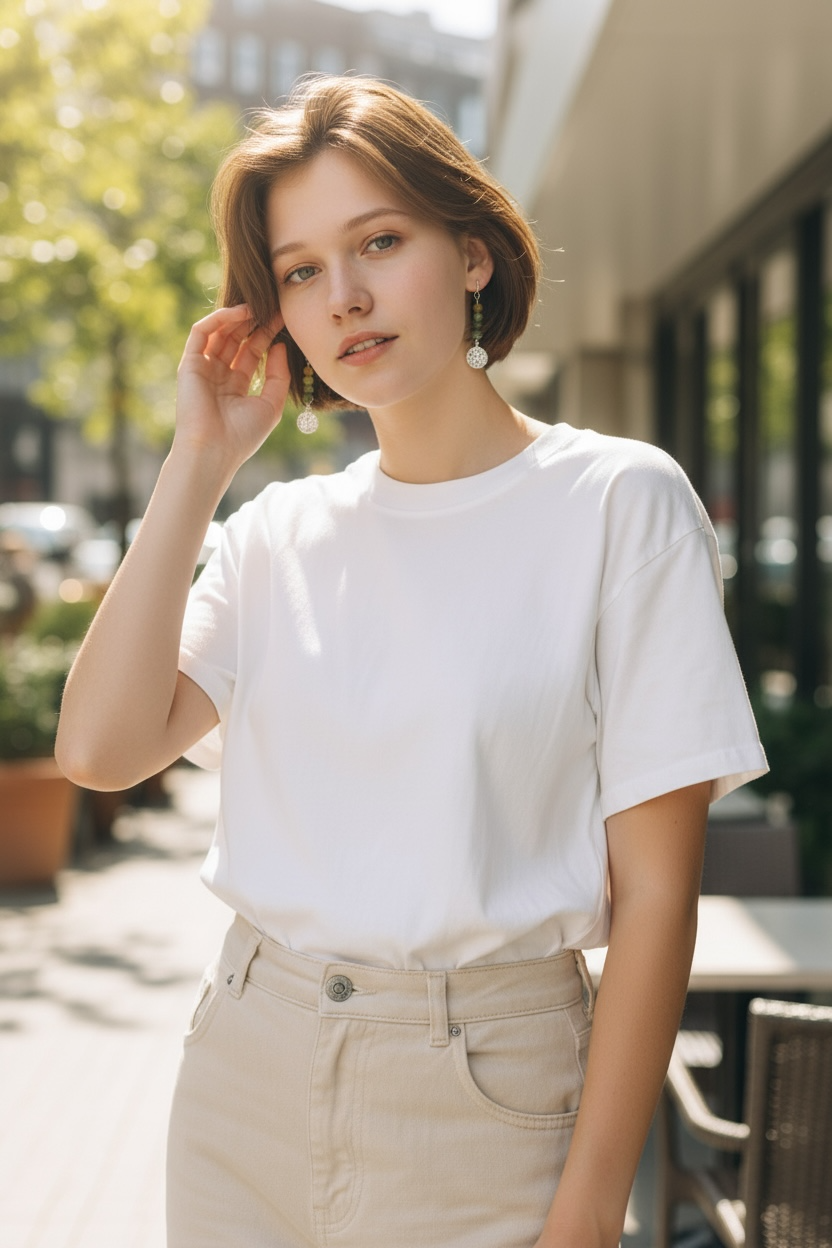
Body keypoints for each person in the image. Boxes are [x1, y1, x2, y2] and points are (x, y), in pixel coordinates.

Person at [56, 76, 767, 1248]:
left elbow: (654, 896)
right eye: (298, 270)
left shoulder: (615, 502)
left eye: (380, 241)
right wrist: (198, 463)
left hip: (488, 1097)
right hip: (246, 1071)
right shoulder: (275, 537)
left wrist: (587, 1214)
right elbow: (98, 750)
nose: (345, 298)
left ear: (474, 253)